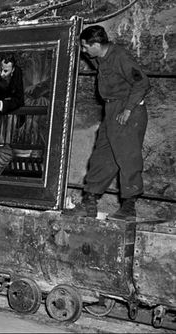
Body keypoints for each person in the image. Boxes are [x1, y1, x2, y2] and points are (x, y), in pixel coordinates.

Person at [67, 25, 150, 221]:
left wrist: (128, 109)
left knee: (127, 157)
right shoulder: (100, 58)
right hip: (111, 110)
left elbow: (142, 82)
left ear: (96, 44)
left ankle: (129, 208)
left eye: (86, 47)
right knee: (102, 155)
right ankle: (89, 203)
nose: (84, 51)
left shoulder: (119, 56)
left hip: (128, 111)